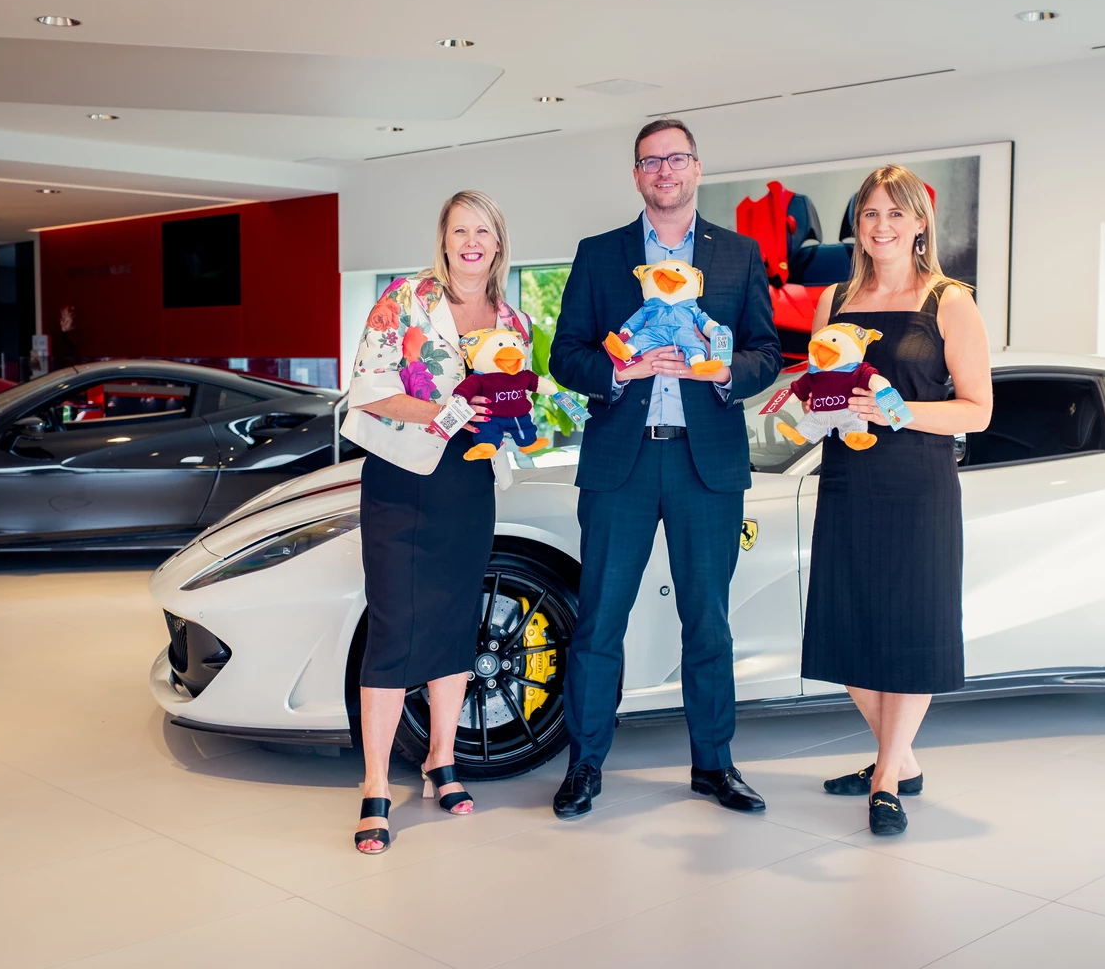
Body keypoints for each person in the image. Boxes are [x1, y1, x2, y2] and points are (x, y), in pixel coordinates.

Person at [548, 119, 782, 818]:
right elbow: (566, 355)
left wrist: (721, 372)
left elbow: (767, 355)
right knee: (598, 624)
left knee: (707, 622)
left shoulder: (739, 256)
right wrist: (618, 371)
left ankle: (715, 765)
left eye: (676, 159)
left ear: (697, 169)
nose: (665, 171)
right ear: (637, 176)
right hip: (621, 461)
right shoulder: (601, 255)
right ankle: (584, 766)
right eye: (652, 161)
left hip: (705, 464)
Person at [802, 165, 992, 836]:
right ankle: (900, 757)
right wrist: (811, 407)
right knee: (848, 623)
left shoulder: (949, 301)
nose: (879, 227)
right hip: (848, 482)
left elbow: (977, 411)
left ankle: (885, 778)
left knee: (911, 628)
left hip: (918, 485)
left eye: (893, 214)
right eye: (868, 214)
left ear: (919, 223)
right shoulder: (833, 301)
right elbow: (826, 388)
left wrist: (896, 412)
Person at [340, 190, 530, 853]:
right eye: (460, 231)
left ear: (498, 244)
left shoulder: (511, 318)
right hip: (400, 477)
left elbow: (515, 397)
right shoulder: (405, 299)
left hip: (470, 482)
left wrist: (515, 425)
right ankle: (373, 788)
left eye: (484, 231)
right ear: (443, 241)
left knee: (454, 621)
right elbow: (367, 386)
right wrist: (446, 411)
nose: (472, 242)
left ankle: (440, 761)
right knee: (394, 625)